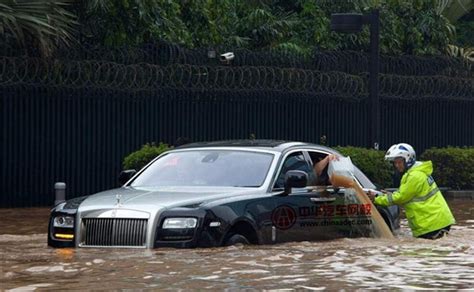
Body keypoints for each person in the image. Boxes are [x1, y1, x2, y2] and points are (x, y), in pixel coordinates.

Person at [367, 143, 455, 239]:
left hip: (431, 224)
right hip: (436, 221)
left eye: (399, 162)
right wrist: (391, 195)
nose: (397, 165)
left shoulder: (414, 176)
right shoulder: (417, 172)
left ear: (408, 160)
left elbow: (401, 198)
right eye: (395, 162)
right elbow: (407, 195)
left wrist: (376, 198)